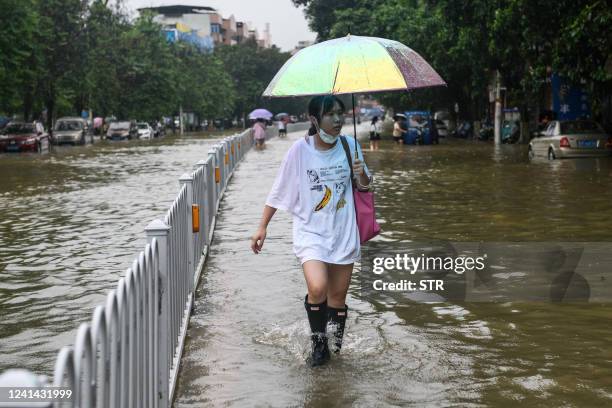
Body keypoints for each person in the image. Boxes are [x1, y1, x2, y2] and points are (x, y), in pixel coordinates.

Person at [250, 95, 372, 367]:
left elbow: (364, 187)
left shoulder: (349, 145)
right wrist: (262, 226)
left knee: (338, 297)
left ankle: (336, 347)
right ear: (314, 120)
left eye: (340, 113)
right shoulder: (299, 150)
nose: (338, 119)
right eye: (331, 114)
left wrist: (360, 171)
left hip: (343, 230)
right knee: (318, 287)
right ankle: (319, 345)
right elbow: (279, 189)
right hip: (310, 232)